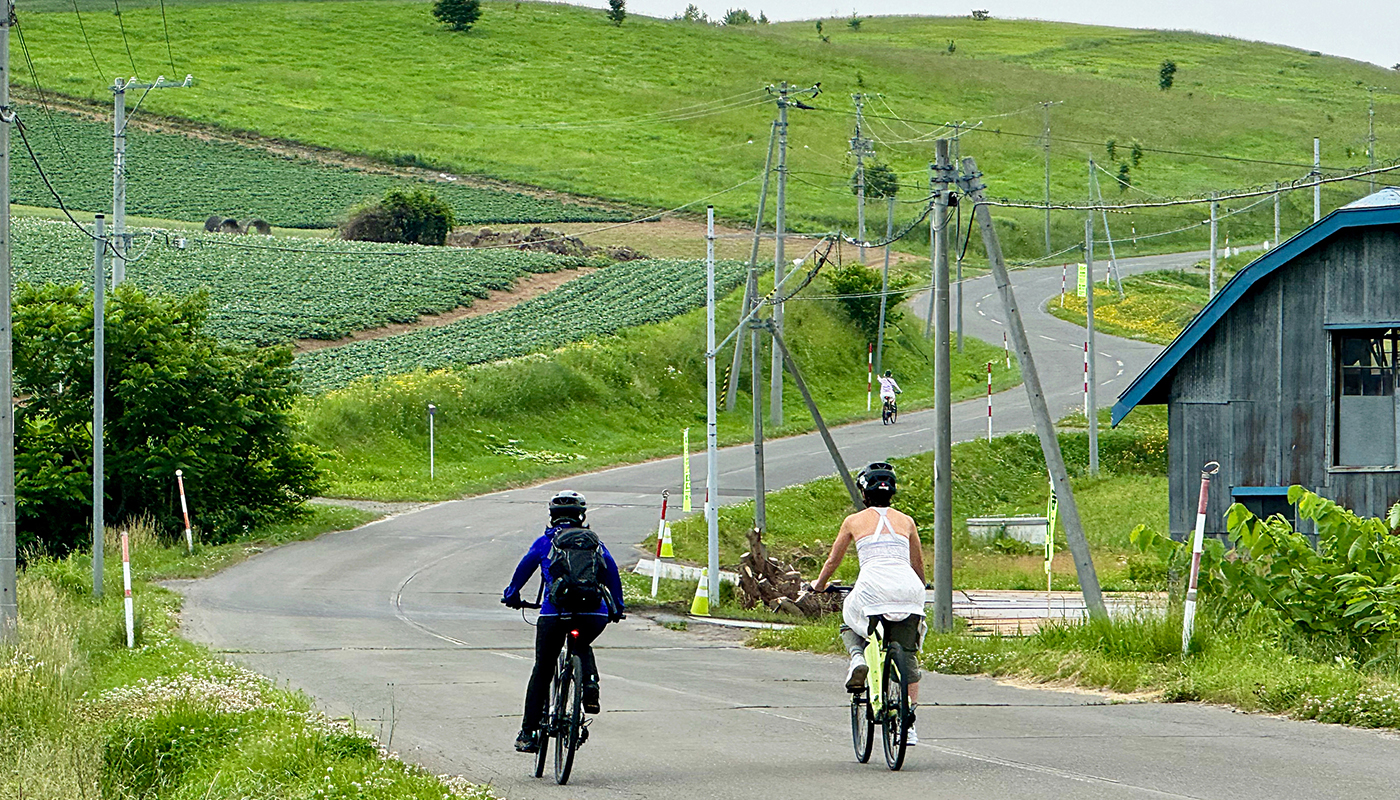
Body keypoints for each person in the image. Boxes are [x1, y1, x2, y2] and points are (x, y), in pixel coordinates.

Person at [502, 490, 625, 754]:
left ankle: (528, 732)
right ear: (582, 516)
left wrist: (511, 595)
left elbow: (522, 570)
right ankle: (590, 685)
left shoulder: (544, 543)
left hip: (555, 614)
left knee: (543, 669)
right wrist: (617, 607)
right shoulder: (595, 544)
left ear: (552, 516)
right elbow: (612, 573)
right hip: (593, 614)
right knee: (581, 644)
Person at [811, 462, 926, 746]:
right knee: (908, 655)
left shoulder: (853, 521)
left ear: (864, 492)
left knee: (850, 618)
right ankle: (908, 723)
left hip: (872, 589)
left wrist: (819, 585)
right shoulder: (907, 521)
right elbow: (918, 563)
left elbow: (832, 561)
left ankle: (858, 658)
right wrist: (920, 586)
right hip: (909, 589)